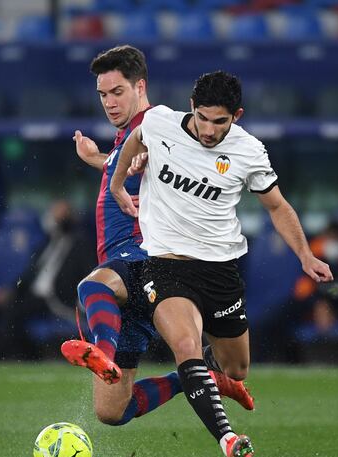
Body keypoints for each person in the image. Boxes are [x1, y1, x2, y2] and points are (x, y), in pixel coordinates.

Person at [110, 71, 334, 457]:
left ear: (237, 115)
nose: (210, 130)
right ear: (191, 107)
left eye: (220, 121)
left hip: (220, 272)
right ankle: (229, 438)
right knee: (184, 343)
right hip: (165, 265)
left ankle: (190, 378)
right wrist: (118, 184)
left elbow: (277, 207)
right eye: (202, 118)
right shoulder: (160, 121)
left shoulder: (249, 150)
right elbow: (135, 139)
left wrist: (305, 255)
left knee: (235, 368)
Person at [61, 48, 254, 435]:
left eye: (117, 91)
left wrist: (137, 160)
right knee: (112, 410)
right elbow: (134, 159)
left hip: (141, 254)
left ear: (140, 86)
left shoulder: (157, 122)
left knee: (93, 287)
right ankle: (198, 377)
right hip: (126, 264)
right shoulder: (127, 136)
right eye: (103, 95)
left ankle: (101, 352)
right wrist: (101, 158)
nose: (109, 102)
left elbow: (163, 152)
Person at [0, 199, 95, 359]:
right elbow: (30, 273)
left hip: (57, 298)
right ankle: (15, 352)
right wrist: (11, 290)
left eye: (62, 214)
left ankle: (2, 354)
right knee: (0, 306)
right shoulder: (48, 241)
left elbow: (88, 274)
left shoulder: (80, 243)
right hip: (34, 295)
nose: (57, 218)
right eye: (55, 213)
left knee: (13, 313)